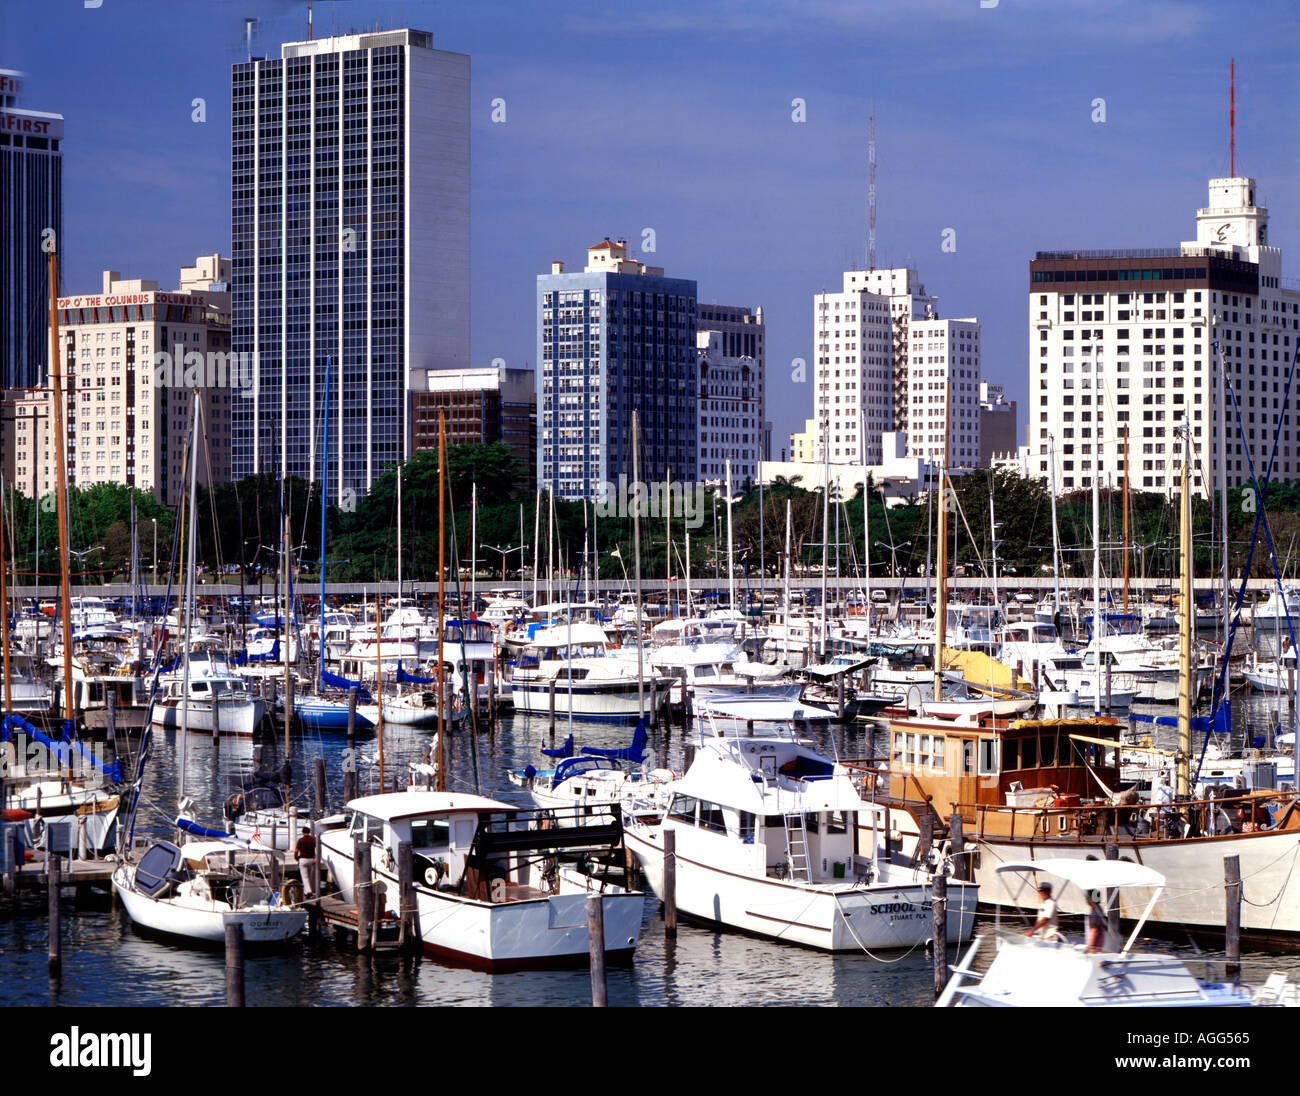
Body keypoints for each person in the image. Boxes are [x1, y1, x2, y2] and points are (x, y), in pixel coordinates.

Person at [294, 825, 318, 900]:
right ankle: (306, 891)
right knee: (310, 877)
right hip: (311, 860)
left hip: (303, 859)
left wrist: (296, 857)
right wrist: (316, 858)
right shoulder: (313, 840)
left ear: (303, 832)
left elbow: (296, 851)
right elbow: (317, 849)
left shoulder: (300, 840)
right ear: (309, 832)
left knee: (305, 877)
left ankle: (308, 891)